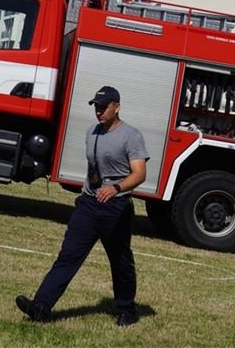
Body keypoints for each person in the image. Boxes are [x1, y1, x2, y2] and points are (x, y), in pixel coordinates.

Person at [16, 85, 149, 327]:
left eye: (103, 107)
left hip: (116, 207)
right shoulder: (92, 133)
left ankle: (126, 310)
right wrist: (88, 188)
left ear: (116, 107)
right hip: (89, 204)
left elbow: (139, 174)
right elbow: (94, 167)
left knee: (120, 261)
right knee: (67, 257)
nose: (98, 112)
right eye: (96, 107)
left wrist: (116, 188)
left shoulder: (132, 136)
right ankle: (41, 306)